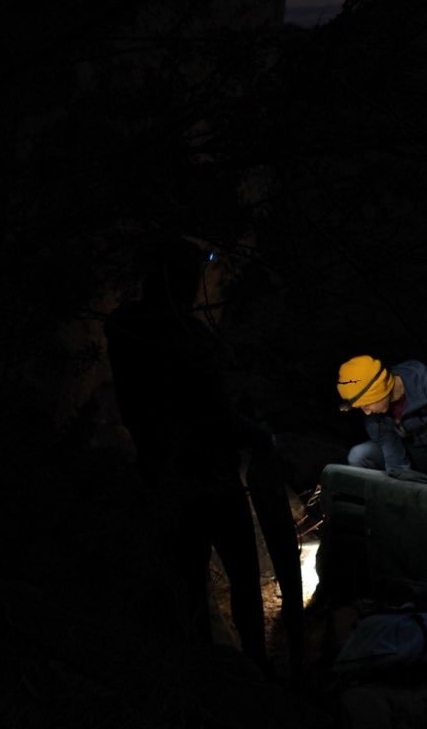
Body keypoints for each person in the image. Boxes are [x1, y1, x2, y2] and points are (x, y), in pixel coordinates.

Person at [104, 237, 302, 675]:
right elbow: (214, 411)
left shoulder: (123, 327)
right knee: (244, 580)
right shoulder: (188, 337)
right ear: (182, 282)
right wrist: (259, 436)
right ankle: (254, 668)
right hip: (209, 475)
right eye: (192, 278)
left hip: (163, 474)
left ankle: (202, 670)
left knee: (189, 579)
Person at [336, 354, 427, 485]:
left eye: (366, 404)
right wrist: (400, 484)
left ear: (379, 391)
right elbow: (395, 458)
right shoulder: (373, 418)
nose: (366, 412)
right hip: (415, 454)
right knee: (359, 454)